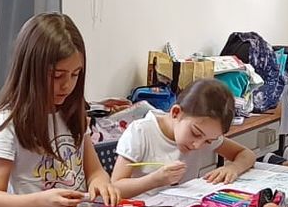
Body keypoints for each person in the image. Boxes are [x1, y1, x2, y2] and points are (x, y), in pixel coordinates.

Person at [0, 14, 120, 207]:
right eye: (57, 76)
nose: (67, 85)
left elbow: (95, 171)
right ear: (32, 71)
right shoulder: (8, 124)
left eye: (75, 74)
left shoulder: (72, 114)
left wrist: (101, 183)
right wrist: (40, 202)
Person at [110, 79, 257, 196]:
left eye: (208, 141)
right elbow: (115, 187)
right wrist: (154, 180)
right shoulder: (141, 132)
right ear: (176, 113)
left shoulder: (205, 131)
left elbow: (246, 154)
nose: (197, 145)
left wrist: (233, 168)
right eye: (196, 133)